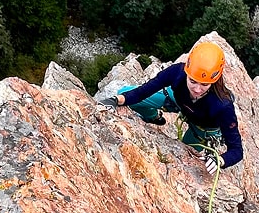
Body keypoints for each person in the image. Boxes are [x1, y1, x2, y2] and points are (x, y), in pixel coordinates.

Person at [99, 41, 243, 173]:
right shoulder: (177, 73)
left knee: (185, 164)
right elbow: (144, 91)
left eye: (204, 84)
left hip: (201, 129)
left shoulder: (222, 106)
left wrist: (221, 160)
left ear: (214, 80)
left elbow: (236, 150)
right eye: (193, 81)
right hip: (179, 101)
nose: (198, 89)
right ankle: (154, 117)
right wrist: (115, 100)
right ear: (187, 72)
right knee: (124, 94)